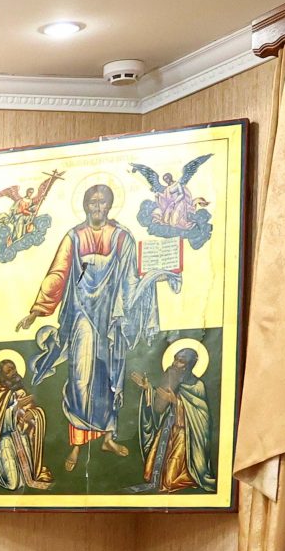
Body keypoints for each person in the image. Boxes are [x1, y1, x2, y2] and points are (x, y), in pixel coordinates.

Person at [13, 182, 174, 471]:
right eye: (93, 202)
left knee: (108, 379)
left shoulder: (122, 237)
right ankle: (77, 444)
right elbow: (58, 273)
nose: (97, 207)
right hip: (82, 316)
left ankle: (108, 437)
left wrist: (152, 280)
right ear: (86, 205)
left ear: (109, 205)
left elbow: (131, 280)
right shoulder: (74, 237)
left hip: (111, 319)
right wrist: (37, 310)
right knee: (80, 378)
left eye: (102, 202)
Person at [129, 346, 216, 493]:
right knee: (151, 473)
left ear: (189, 365)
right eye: (175, 359)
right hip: (167, 429)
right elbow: (159, 406)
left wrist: (176, 401)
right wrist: (148, 389)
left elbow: (202, 416)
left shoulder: (197, 386)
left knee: (170, 480)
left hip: (185, 437)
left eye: (181, 361)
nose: (175, 363)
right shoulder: (171, 378)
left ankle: (188, 475)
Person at [0, 355, 52, 491]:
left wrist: (32, 414)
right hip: (3, 441)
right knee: (13, 484)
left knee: (27, 478)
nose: (13, 372)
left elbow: (33, 417)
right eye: (8, 371)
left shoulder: (22, 391)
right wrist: (15, 408)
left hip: (21, 437)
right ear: (2, 377)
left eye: (13, 368)